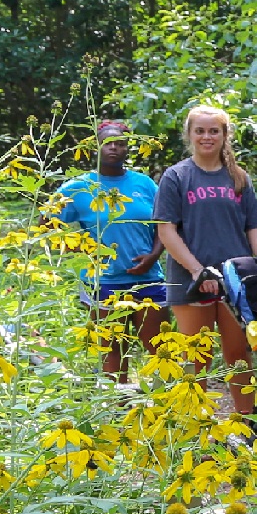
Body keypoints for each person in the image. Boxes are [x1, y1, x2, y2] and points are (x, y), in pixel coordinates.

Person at [154, 106, 257, 414]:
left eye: (214, 131)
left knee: (239, 353)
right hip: (190, 279)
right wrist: (197, 270)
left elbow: (254, 225)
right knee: (194, 356)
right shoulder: (176, 176)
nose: (207, 137)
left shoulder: (238, 177)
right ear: (189, 135)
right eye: (200, 131)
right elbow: (166, 231)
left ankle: (247, 426)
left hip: (235, 279)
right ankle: (190, 429)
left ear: (224, 135)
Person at [54, 120, 166, 381]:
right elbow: (46, 222)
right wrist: (78, 249)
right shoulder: (79, 187)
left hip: (148, 278)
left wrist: (154, 255)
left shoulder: (145, 184)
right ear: (95, 147)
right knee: (112, 349)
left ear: (128, 149)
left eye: (120, 144)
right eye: (107, 143)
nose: (113, 148)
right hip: (102, 280)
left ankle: (169, 409)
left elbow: (165, 224)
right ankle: (116, 410)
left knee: (159, 347)